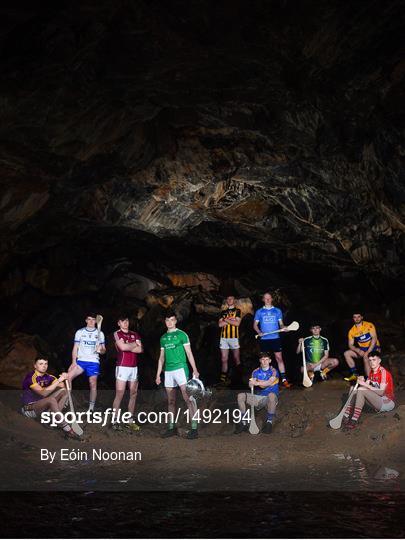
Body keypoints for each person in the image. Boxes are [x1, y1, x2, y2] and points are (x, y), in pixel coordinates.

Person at [155, 310, 200, 439]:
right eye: (167, 320)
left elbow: (189, 353)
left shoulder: (182, 335)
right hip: (168, 371)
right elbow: (161, 358)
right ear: (165, 322)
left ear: (175, 321)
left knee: (188, 399)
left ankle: (194, 428)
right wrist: (158, 374)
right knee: (171, 401)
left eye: (172, 320)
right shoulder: (163, 338)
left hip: (181, 369)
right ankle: (171, 427)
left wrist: (195, 369)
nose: (169, 322)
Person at [21, 357, 80, 439]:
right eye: (41, 364)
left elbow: (65, 387)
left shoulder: (49, 377)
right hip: (30, 409)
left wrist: (68, 377)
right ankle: (68, 429)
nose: (44, 366)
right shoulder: (30, 378)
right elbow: (43, 393)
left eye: (46, 364)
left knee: (65, 392)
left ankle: (53, 419)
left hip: (42, 407)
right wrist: (59, 380)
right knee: (51, 400)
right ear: (35, 366)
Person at [342, 354, 395, 430]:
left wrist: (364, 385)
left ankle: (354, 420)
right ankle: (346, 415)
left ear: (379, 360)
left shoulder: (383, 373)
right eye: (370, 360)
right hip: (377, 400)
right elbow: (364, 387)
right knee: (353, 388)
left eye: (374, 360)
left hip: (387, 402)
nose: (371, 362)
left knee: (360, 390)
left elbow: (381, 392)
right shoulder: (372, 372)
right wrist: (361, 380)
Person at [68, 312, 106, 412]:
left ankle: (91, 409)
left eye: (93, 319)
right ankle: (67, 401)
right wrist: (73, 362)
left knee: (92, 383)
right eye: (89, 319)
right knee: (68, 377)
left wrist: (100, 350)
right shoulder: (80, 332)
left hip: (93, 362)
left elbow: (104, 351)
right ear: (86, 320)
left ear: (96, 321)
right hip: (80, 361)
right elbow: (75, 348)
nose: (91, 321)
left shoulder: (100, 334)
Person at [253, 292, 291, 388]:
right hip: (264, 339)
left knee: (279, 358)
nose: (268, 300)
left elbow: (281, 324)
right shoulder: (259, 312)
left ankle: (284, 379)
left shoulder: (277, 311)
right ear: (263, 300)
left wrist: (284, 327)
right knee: (264, 360)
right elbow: (255, 325)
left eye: (269, 298)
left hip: (275, 338)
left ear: (272, 299)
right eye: (266, 298)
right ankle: (264, 379)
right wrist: (259, 332)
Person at [111, 315, 143, 431]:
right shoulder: (117, 333)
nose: (125, 323)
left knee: (133, 394)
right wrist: (134, 344)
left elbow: (140, 349)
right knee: (120, 394)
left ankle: (130, 421)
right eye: (123, 321)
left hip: (134, 367)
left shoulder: (135, 334)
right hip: (122, 367)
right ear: (119, 323)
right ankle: (115, 420)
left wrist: (128, 345)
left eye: (127, 320)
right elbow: (122, 348)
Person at [235, 352, 279, 434]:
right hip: (259, 399)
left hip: (270, 399)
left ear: (270, 360)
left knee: (271, 395)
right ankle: (243, 423)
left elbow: (269, 382)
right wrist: (251, 383)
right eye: (263, 359)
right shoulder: (255, 372)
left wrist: (257, 383)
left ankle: (269, 423)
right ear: (260, 361)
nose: (265, 361)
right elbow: (250, 383)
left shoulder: (273, 371)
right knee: (240, 396)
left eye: (266, 359)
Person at [344, 312, 381, 381]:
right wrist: (358, 350)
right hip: (363, 349)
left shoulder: (369, 325)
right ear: (353, 319)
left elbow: (374, 338)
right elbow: (350, 345)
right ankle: (355, 374)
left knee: (365, 357)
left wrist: (368, 351)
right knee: (347, 353)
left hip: (374, 347)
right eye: (355, 317)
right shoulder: (352, 331)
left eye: (358, 316)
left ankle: (369, 380)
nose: (357, 318)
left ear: (362, 317)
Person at [218, 295, 241, 386]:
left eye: (231, 298)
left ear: (234, 300)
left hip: (234, 338)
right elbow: (220, 325)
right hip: (223, 338)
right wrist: (230, 320)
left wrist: (226, 320)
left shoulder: (238, 311)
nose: (229, 300)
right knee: (224, 359)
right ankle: (223, 378)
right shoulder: (223, 312)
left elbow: (237, 323)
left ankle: (239, 376)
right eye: (228, 298)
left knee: (236, 358)